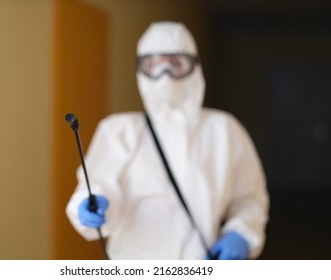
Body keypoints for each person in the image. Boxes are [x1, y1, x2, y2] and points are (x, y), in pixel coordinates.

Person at [66, 21, 269, 260]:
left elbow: (251, 198)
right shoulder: (119, 130)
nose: (165, 76)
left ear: (194, 66)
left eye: (175, 64)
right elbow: (96, 185)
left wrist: (241, 234)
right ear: (140, 70)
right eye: (153, 64)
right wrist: (90, 205)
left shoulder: (225, 130)